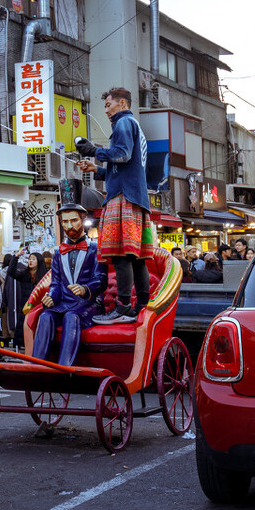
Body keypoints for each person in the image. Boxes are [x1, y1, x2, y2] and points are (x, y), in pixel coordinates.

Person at [77, 86, 154, 325]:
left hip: (123, 197)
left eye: (109, 105)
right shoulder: (134, 126)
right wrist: (98, 170)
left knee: (122, 255)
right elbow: (125, 165)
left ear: (122, 103)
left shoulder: (123, 123)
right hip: (137, 197)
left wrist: (94, 151)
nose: (107, 110)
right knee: (137, 256)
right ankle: (141, 304)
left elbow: (121, 154)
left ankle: (122, 307)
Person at [32, 201, 106, 367]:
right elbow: (56, 282)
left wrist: (85, 289)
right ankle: (36, 365)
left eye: (73, 220)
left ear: (83, 219)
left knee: (71, 316)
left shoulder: (96, 248)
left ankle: (65, 366)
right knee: (45, 316)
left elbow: (101, 279)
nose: (69, 226)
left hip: (89, 304)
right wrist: (51, 296)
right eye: (65, 222)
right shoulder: (58, 252)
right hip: (64, 302)